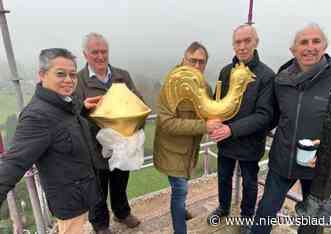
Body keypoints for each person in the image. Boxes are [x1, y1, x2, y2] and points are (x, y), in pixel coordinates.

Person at [250, 23, 331, 234]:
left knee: (311, 222)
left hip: (319, 167)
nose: (310, 47)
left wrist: (329, 148)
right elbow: (271, 116)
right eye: (303, 42)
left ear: (325, 46)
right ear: (293, 50)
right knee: (265, 211)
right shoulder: (282, 77)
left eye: (316, 41)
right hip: (283, 160)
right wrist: (238, 129)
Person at [0, 48, 102, 234]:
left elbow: (67, 121)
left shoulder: (65, 104)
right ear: (42, 75)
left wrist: (84, 108)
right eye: (60, 74)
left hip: (84, 194)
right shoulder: (37, 116)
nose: (69, 80)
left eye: (72, 74)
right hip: (69, 202)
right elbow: (13, 163)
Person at [207, 24, 275, 234]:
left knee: (250, 182)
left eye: (247, 41)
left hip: (250, 141)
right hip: (225, 140)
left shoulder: (266, 76)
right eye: (238, 42)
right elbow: (218, 103)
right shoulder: (225, 72)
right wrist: (213, 120)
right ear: (233, 44)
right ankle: (224, 207)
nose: (242, 46)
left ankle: (246, 217)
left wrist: (231, 130)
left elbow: (264, 115)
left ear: (256, 43)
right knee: (224, 177)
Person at [75, 32, 141, 233]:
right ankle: (100, 224)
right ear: (85, 55)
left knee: (120, 182)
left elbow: (138, 102)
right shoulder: (78, 80)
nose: (101, 56)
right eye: (95, 52)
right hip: (94, 149)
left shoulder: (122, 76)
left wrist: (137, 126)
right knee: (98, 190)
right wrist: (84, 109)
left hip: (122, 144)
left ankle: (121, 213)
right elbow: (73, 114)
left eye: (104, 51)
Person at [153, 41, 220, 234]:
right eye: (193, 61)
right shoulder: (171, 85)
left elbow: (211, 111)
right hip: (172, 152)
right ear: (184, 59)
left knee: (182, 191)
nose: (198, 66)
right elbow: (166, 122)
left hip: (189, 152)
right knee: (180, 191)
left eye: (202, 62)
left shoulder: (204, 86)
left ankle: (180, 210)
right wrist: (204, 126)